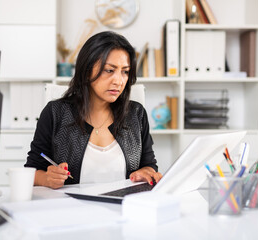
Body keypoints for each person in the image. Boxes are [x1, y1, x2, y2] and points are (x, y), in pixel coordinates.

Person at [25, 31, 162, 189]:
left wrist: (146, 172)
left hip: (123, 209)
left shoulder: (136, 114)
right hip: (71, 209)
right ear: (87, 70)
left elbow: (149, 165)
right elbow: (32, 171)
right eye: (109, 70)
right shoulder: (55, 113)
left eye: (125, 71)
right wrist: (46, 178)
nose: (119, 81)